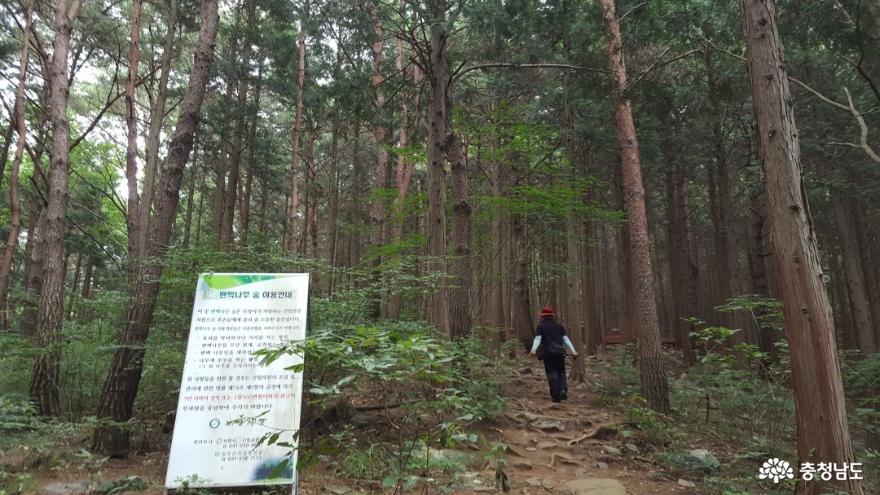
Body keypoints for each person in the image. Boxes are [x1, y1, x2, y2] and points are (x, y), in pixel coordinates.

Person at [529, 305, 578, 402]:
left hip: (548, 353)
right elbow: (565, 339)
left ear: (543, 316)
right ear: (552, 316)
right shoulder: (559, 326)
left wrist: (533, 350)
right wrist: (573, 351)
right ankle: (563, 389)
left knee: (552, 373)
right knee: (561, 372)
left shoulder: (541, 326)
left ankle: (556, 396)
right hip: (560, 352)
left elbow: (538, 339)